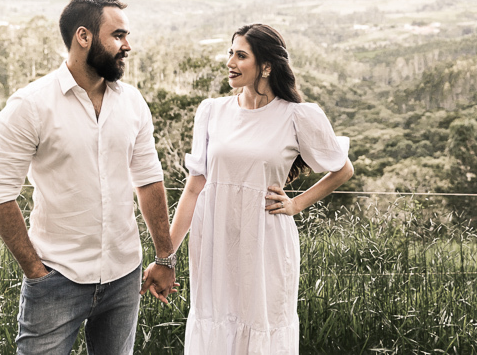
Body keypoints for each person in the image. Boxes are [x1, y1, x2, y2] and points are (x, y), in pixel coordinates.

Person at [0, 0, 177, 355]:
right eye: (117, 35)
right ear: (83, 37)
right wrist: (35, 272)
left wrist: (165, 257)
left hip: (124, 277)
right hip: (56, 279)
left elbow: (149, 179)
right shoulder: (30, 106)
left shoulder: (133, 103)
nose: (127, 45)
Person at [145, 23, 354, 353]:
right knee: (215, 325)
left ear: (266, 66)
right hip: (215, 244)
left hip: (266, 244)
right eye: (230, 52)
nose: (230, 61)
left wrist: (296, 204)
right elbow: (194, 188)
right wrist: (166, 257)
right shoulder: (212, 111)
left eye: (241, 55)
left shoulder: (297, 116)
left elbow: (343, 169)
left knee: (261, 328)